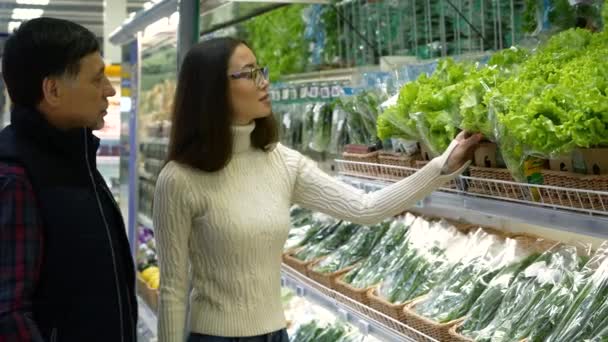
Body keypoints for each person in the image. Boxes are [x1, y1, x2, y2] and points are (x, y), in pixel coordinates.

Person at [153, 37, 482, 342]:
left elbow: (365, 208)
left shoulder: (282, 162)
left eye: (260, 70)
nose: (263, 81)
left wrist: (443, 164)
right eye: (249, 73)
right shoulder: (180, 180)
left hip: (276, 334)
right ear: (212, 90)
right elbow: (172, 288)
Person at [0, 18, 137, 342]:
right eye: (97, 78)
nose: (109, 90)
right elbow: (8, 313)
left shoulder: (79, 160)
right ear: (53, 90)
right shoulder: (15, 177)